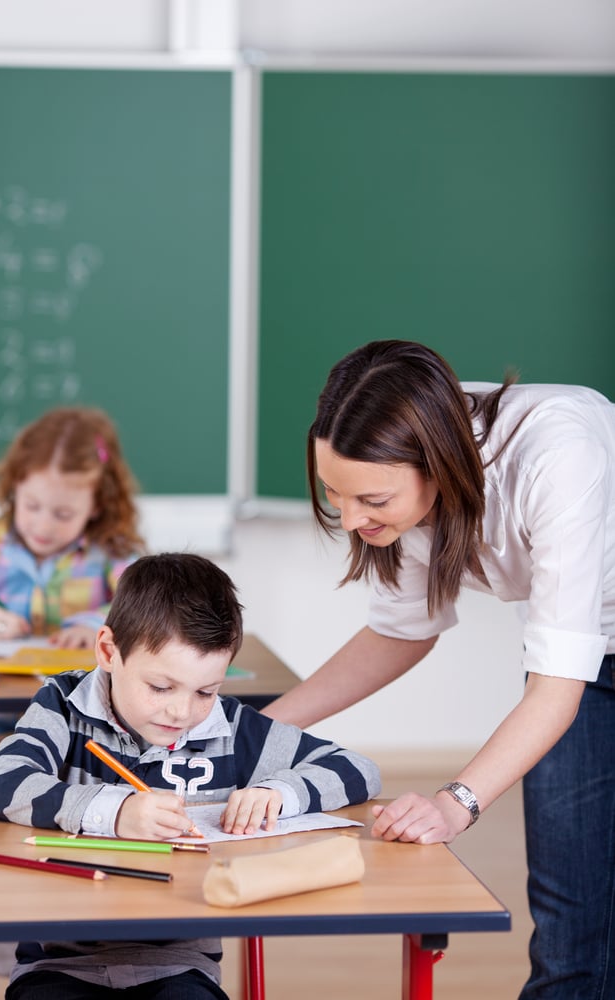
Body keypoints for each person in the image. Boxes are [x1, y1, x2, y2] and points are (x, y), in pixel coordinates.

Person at [262, 339, 615, 1000]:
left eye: (370, 499)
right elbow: (400, 634)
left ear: (436, 464)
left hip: (573, 676)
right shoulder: (408, 467)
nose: (349, 518)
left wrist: (456, 802)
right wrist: (260, 729)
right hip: (586, 668)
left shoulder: (556, 455)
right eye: (332, 493)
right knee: (570, 935)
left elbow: (555, 689)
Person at [0, 552, 381, 1000]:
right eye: (160, 687)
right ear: (109, 651)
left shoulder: (229, 728)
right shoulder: (62, 704)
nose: (182, 711)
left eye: (205, 691)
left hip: (178, 966)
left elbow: (356, 769)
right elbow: (3, 782)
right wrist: (113, 811)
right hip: (57, 962)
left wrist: (279, 791)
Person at [0, 405, 146, 740]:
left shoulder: (112, 553)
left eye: (63, 514)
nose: (42, 525)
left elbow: (147, 607)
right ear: (14, 488)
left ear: (97, 505)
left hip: (83, 722)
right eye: (32, 506)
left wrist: (95, 623)